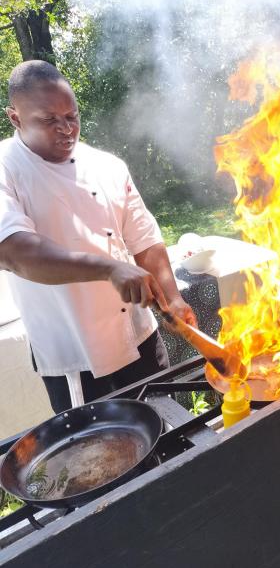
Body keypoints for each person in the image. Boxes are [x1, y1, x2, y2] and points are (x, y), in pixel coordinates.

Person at [0, 60, 196, 414]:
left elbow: (145, 239)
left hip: (140, 336)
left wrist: (172, 298)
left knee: (170, 430)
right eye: (49, 120)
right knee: (102, 463)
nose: (66, 129)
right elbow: (15, 252)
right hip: (75, 356)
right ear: (15, 117)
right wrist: (109, 268)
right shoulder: (5, 167)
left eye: (71, 116)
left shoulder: (107, 165)